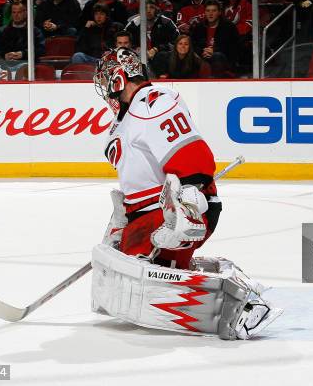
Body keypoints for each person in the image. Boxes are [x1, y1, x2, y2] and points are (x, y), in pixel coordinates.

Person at [91, 47, 281, 340]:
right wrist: (123, 218)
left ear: (118, 79)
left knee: (136, 258)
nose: (105, 91)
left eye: (106, 81)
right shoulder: (125, 122)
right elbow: (139, 183)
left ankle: (243, 305)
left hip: (184, 209)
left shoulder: (153, 104)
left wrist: (188, 205)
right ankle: (183, 271)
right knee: (125, 258)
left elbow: (192, 157)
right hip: (152, 215)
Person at [191, 0, 239, 77]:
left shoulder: (229, 27)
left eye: (214, 11)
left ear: (219, 12)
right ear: (205, 12)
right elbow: (193, 44)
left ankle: (215, 83)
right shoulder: (199, 27)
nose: (210, 14)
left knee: (217, 56)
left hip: (223, 59)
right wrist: (202, 52)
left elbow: (234, 47)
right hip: (202, 57)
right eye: (208, 11)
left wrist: (214, 51)